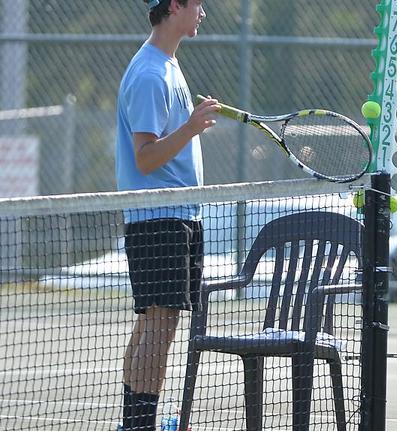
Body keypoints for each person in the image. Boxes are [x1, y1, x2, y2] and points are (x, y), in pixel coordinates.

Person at [115, 1, 218, 429]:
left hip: (176, 216)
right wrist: (191, 128)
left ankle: (134, 423)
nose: (203, 12)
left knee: (154, 319)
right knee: (160, 321)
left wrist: (189, 124)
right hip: (158, 219)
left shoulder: (168, 65)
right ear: (174, 6)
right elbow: (144, 158)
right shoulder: (151, 74)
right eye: (196, 4)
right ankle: (142, 424)